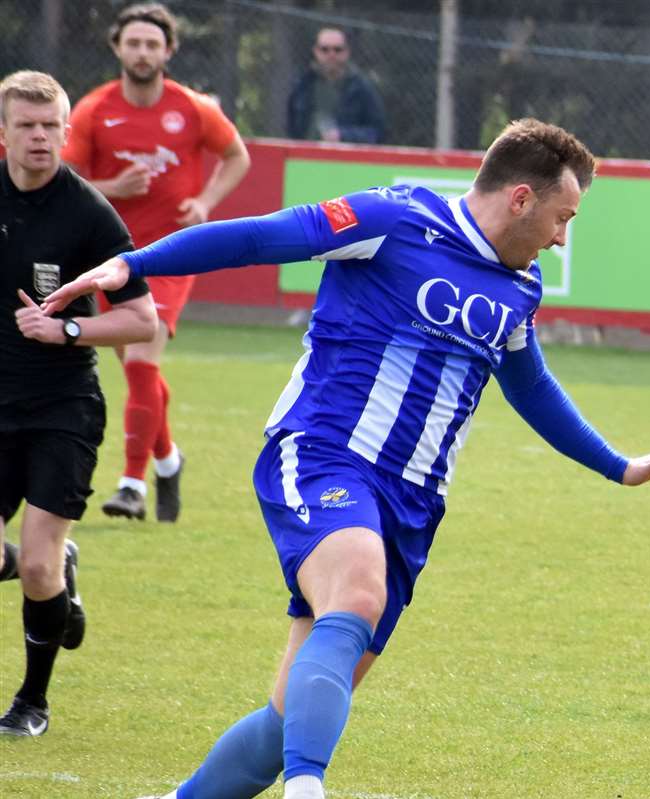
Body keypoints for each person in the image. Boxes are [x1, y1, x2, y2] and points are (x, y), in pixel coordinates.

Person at [44, 118, 650, 799]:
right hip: (323, 457)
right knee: (353, 593)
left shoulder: (519, 291)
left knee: (287, 722)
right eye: (564, 218)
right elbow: (266, 237)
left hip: (411, 508)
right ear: (522, 196)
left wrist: (619, 465)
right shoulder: (396, 219)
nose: (565, 235)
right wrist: (132, 264)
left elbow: (531, 388)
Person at [0, 70, 157, 736]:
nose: (39, 137)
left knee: (35, 564)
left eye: (50, 126)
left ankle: (32, 702)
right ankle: (57, 574)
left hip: (62, 406)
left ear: (67, 131)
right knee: (29, 566)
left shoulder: (89, 213)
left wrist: (66, 328)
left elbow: (144, 320)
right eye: (26, 126)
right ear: (3, 134)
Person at [63, 2, 251, 522]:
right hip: (108, 257)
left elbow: (238, 155)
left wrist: (206, 203)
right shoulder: (93, 110)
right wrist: (112, 188)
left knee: (143, 358)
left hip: (170, 255)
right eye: (134, 43)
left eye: (153, 44)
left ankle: (131, 486)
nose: (143, 52)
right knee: (139, 371)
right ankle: (168, 460)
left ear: (168, 51)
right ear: (117, 48)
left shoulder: (191, 108)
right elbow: (65, 183)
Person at [286, 26, 386, 145]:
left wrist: (343, 135)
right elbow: (291, 127)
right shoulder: (302, 85)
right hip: (302, 158)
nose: (331, 54)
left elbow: (377, 133)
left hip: (343, 160)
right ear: (316, 51)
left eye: (337, 49)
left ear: (347, 52)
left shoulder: (361, 88)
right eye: (325, 49)